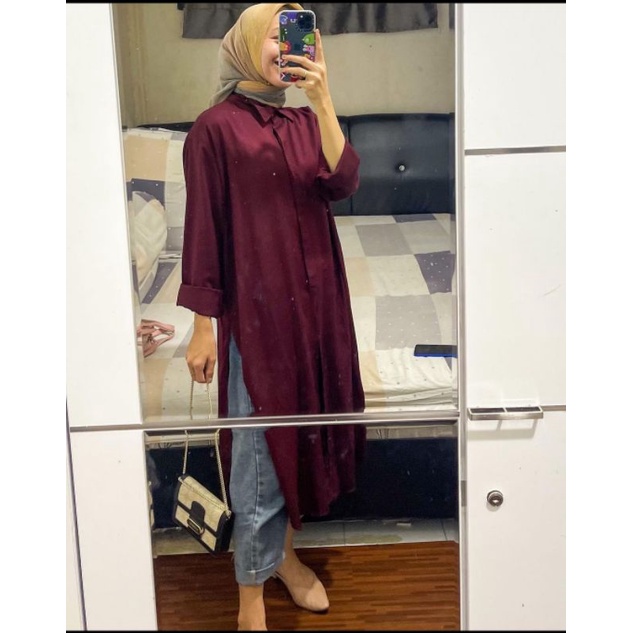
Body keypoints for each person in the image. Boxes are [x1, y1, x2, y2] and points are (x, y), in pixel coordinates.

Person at [176, 3, 366, 629]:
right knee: (259, 453)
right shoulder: (214, 129)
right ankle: (249, 601)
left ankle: (283, 556)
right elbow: (203, 228)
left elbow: (343, 182)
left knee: (301, 438)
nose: (290, 48)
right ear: (247, 43)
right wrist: (202, 324)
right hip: (257, 316)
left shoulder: (305, 120)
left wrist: (324, 98)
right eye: (276, 38)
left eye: (298, 36)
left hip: (318, 306)